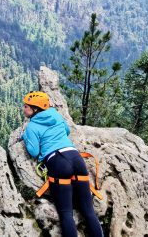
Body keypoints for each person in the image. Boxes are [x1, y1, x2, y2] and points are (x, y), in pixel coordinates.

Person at [20, 91, 103, 237]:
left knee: (66, 214)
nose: (23, 108)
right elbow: (67, 130)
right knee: (89, 212)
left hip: (58, 163)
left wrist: (25, 137)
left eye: (26, 106)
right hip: (76, 159)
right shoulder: (55, 115)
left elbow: (33, 151)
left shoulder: (32, 127)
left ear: (35, 109)